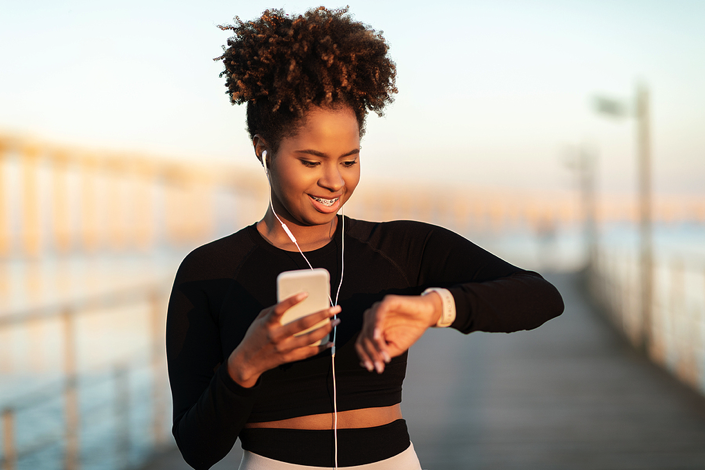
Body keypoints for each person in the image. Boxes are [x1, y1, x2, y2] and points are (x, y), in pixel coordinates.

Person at [166, 7, 564, 470]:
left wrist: (434, 308)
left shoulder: (401, 248)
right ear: (263, 150)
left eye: (349, 160)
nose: (334, 181)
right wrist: (245, 366)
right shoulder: (209, 270)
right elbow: (197, 450)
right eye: (312, 162)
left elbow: (542, 297)